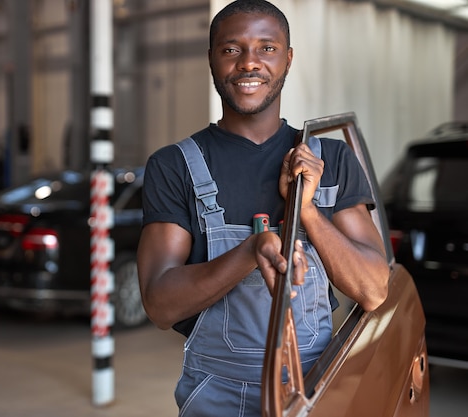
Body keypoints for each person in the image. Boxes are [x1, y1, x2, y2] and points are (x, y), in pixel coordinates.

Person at [136, 0, 389, 416]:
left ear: (288, 58)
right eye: (231, 49)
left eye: (266, 48)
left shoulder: (332, 159)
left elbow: (374, 289)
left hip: (317, 386)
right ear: (212, 59)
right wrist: (252, 251)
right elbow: (161, 305)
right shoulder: (175, 165)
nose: (248, 63)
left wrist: (306, 212)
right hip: (216, 394)